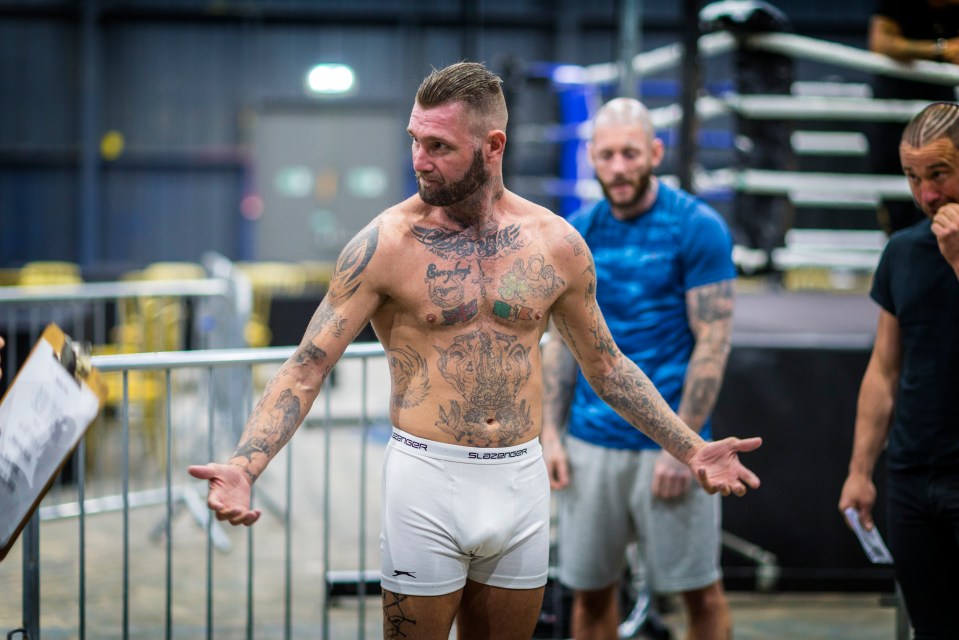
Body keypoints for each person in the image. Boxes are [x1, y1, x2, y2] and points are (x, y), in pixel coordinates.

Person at [188, 61, 762, 640]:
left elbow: (607, 368)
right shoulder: (385, 245)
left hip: (520, 481)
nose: (419, 159)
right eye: (415, 140)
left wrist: (690, 449)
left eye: (439, 145)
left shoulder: (557, 244)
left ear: (493, 146)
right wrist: (244, 464)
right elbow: (308, 365)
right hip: (427, 482)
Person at [541, 97, 737, 640]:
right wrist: (551, 434)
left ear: (654, 151)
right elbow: (560, 344)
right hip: (591, 444)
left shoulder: (696, 227)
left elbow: (713, 342)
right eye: (607, 156)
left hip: (669, 445)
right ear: (591, 158)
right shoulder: (576, 234)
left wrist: (685, 445)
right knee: (591, 592)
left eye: (630, 153)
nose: (619, 167)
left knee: (700, 591)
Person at [838, 101, 959, 639]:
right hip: (912, 474)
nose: (926, 194)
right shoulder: (904, 251)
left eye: (940, 174)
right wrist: (861, 470)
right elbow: (884, 370)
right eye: (913, 177)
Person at [868, 0, 959, 234]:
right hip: (894, 114)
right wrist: (939, 50)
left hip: (942, 113)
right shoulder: (900, 7)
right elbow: (880, 41)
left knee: (944, 208)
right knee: (899, 209)